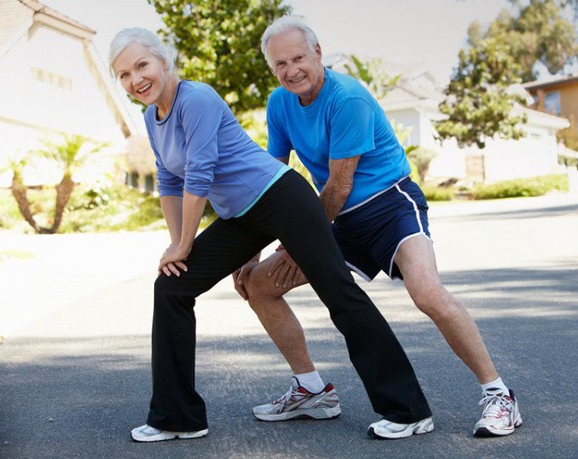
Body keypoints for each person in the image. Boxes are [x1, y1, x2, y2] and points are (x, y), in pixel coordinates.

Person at [109, 27, 433, 443]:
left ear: (163, 61)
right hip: (242, 214)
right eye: (123, 74)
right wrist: (177, 248)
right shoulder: (152, 118)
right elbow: (171, 182)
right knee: (172, 287)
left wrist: (185, 243)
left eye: (141, 65)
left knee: (339, 293)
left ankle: (408, 410)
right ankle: (178, 417)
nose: (135, 79)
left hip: (282, 198)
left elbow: (200, 177)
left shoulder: (198, 99)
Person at [234, 15, 522, 438]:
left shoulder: (347, 98)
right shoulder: (279, 104)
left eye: (298, 57)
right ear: (271, 68)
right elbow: (271, 180)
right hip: (337, 221)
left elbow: (339, 184)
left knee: (426, 292)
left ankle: (498, 395)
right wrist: (252, 253)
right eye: (280, 64)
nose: (291, 69)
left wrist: (298, 242)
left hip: (389, 206)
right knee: (258, 284)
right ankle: (311, 390)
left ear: (317, 52)